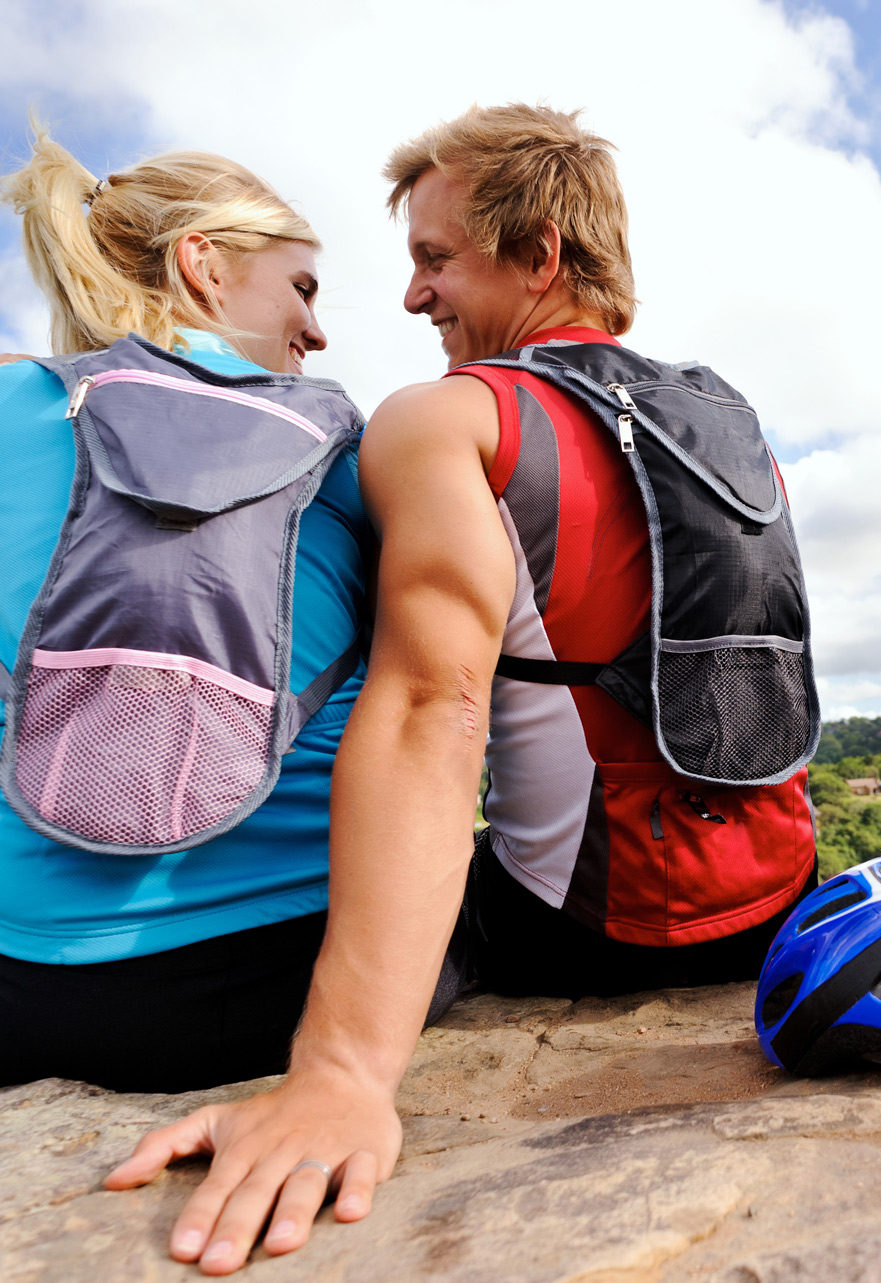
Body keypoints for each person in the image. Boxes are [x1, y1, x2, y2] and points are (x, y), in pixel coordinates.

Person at [106, 104, 817, 1276]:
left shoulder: (451, 419)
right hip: (769, 901)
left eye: (434, 260)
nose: (410, 298)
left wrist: (339, 1077)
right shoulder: (727, 417)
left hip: (588, 931)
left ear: (537, 254)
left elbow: (433, 710)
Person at [0, 133, 453, 1123]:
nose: (317, 331)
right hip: (271, 992)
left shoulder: (10, 405)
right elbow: (433, 712)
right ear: (203, 264)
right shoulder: (353, 449)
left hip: (23, 996)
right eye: (302, 288)